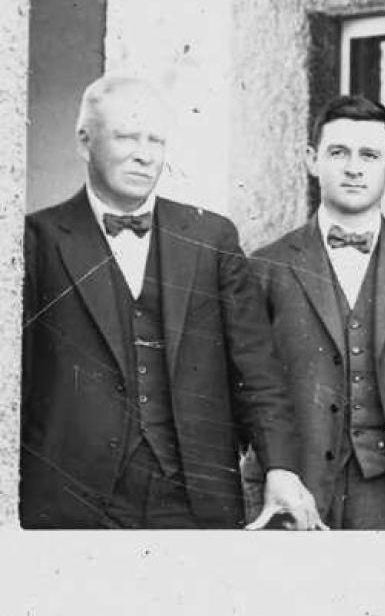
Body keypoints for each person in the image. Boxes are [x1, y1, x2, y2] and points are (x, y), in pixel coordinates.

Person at [21, 74, 322, 529]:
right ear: (85, 142)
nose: (145, 155)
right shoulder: (35, 239)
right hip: (71, 501)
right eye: (126, 137)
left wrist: (280, 466)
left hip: (195, 497)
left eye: (156, 140)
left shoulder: (210, 237)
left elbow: (256, 368)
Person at [251, 95, 385, 530]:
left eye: (369, 155)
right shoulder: (266, 267)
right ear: (312, 160)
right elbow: (253, 386)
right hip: (298, 491)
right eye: (338, 153)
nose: (353, 167)